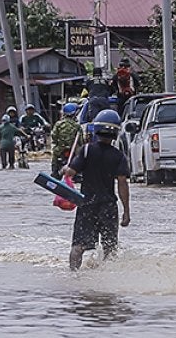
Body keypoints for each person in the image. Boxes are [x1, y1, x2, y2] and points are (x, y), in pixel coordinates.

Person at [59, 111, 131, 270]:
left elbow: (70, 172)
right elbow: (122, 184)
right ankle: (105, 279)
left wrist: (65, 168)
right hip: (108, 207)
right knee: (110, 248)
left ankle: (74, 278)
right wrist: (126, 211)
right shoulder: (119, 156)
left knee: (78, 246)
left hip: (87, 205)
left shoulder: (86, 150)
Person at [50, 102, 83, 178]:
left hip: (60, 148)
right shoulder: (76, 125)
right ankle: (78, 174)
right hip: (72, 148)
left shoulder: (59, 124)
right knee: (79, 156)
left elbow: (54, 136)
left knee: (55, 156)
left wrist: (57, 142)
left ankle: (54, 172)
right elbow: (80, 140)